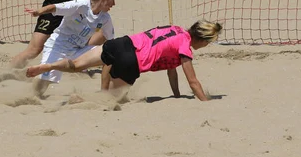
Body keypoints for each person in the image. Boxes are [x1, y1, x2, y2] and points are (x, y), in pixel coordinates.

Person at [26, 20, 222, 102]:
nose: (206, 46)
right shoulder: (185, 48)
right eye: (208, 43)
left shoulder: (176, 28)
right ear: (202, 39)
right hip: (132, 61)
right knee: (110, 99)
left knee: (76, 65)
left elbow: (172, 71)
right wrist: (204, 102)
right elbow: (193, 81)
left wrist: (177, 96)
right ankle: (86, 99)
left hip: (123, 43)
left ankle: (49, 65)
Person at [25, 0, 117, 97]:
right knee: (42, 85)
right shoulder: (80, 5)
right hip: (58, 46)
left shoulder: (105, 18)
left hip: (78, 50)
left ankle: (105, 93)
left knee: (109, 54)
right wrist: (38, 12)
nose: (114, 3)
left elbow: (111, 40)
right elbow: (54, 7)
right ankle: (29, 96)